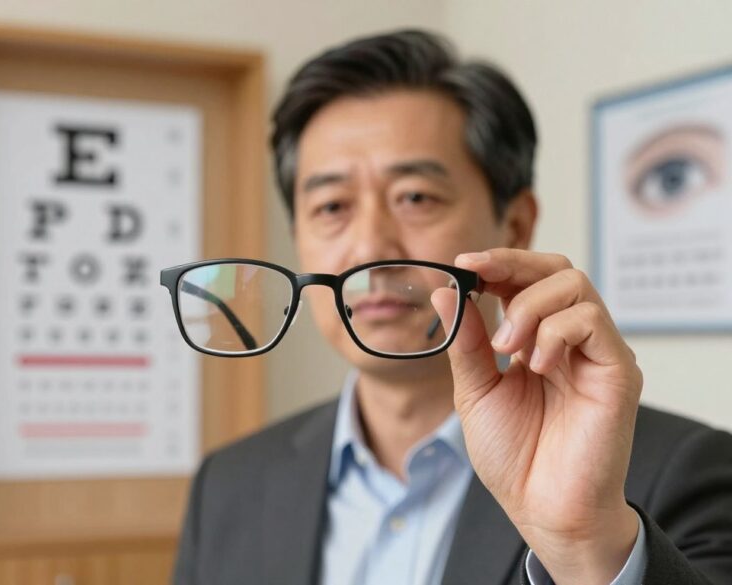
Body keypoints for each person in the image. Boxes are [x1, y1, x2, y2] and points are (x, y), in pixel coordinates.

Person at [171, 30, 732, 585]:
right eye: (332, 205)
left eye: (415, 197)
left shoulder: (683, 470)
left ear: (514, 224)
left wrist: (586, 544)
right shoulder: (228, 484)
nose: (369, 249)